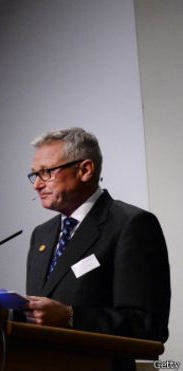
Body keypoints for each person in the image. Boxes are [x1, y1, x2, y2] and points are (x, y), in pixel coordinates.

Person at [25, 127, 170, 370]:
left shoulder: (131, 225)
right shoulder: (42, 234)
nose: (37, 185)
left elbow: (148, 325)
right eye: (34, 175)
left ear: (85, 170)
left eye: (46, 172)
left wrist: (71, 317)